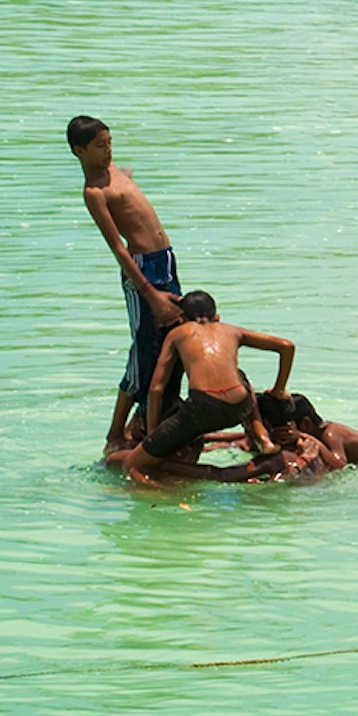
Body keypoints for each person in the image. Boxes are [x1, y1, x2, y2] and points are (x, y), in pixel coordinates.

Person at [70, 115, 183, 450]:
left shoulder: (115, 171)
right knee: (144, 349)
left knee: (170, 341)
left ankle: (153, 420)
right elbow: (118, 248)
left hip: (165, 260)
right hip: (142, 269)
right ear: (79, 151)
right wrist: (150, 294)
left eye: (109, 143)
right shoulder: (94, 193)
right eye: (99, 146)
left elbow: (130, 194)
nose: (107, 150)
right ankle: (114, 433)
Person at [139, 291, 293, 468]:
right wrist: (278, 390)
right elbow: (286, 346)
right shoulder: (232, 330)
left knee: (134, 465)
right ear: (217, 317)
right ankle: (261, 434)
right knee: (239, 375)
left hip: (203, 408)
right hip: (239, 406)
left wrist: (153, 435)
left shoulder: (177, 333)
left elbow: (156, 389)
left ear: (181, 319)